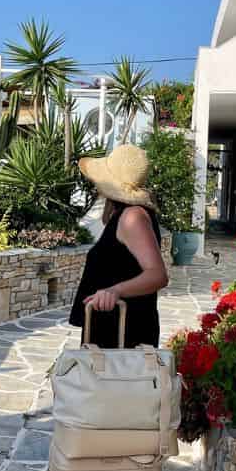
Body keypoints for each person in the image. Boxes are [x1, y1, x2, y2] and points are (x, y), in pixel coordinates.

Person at [70, 144, 169, 349]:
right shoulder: (123, 214)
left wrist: (114, 291)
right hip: (111, 328)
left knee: (119, 381)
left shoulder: (132, 217)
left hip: (123, 334)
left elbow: (158, 274)